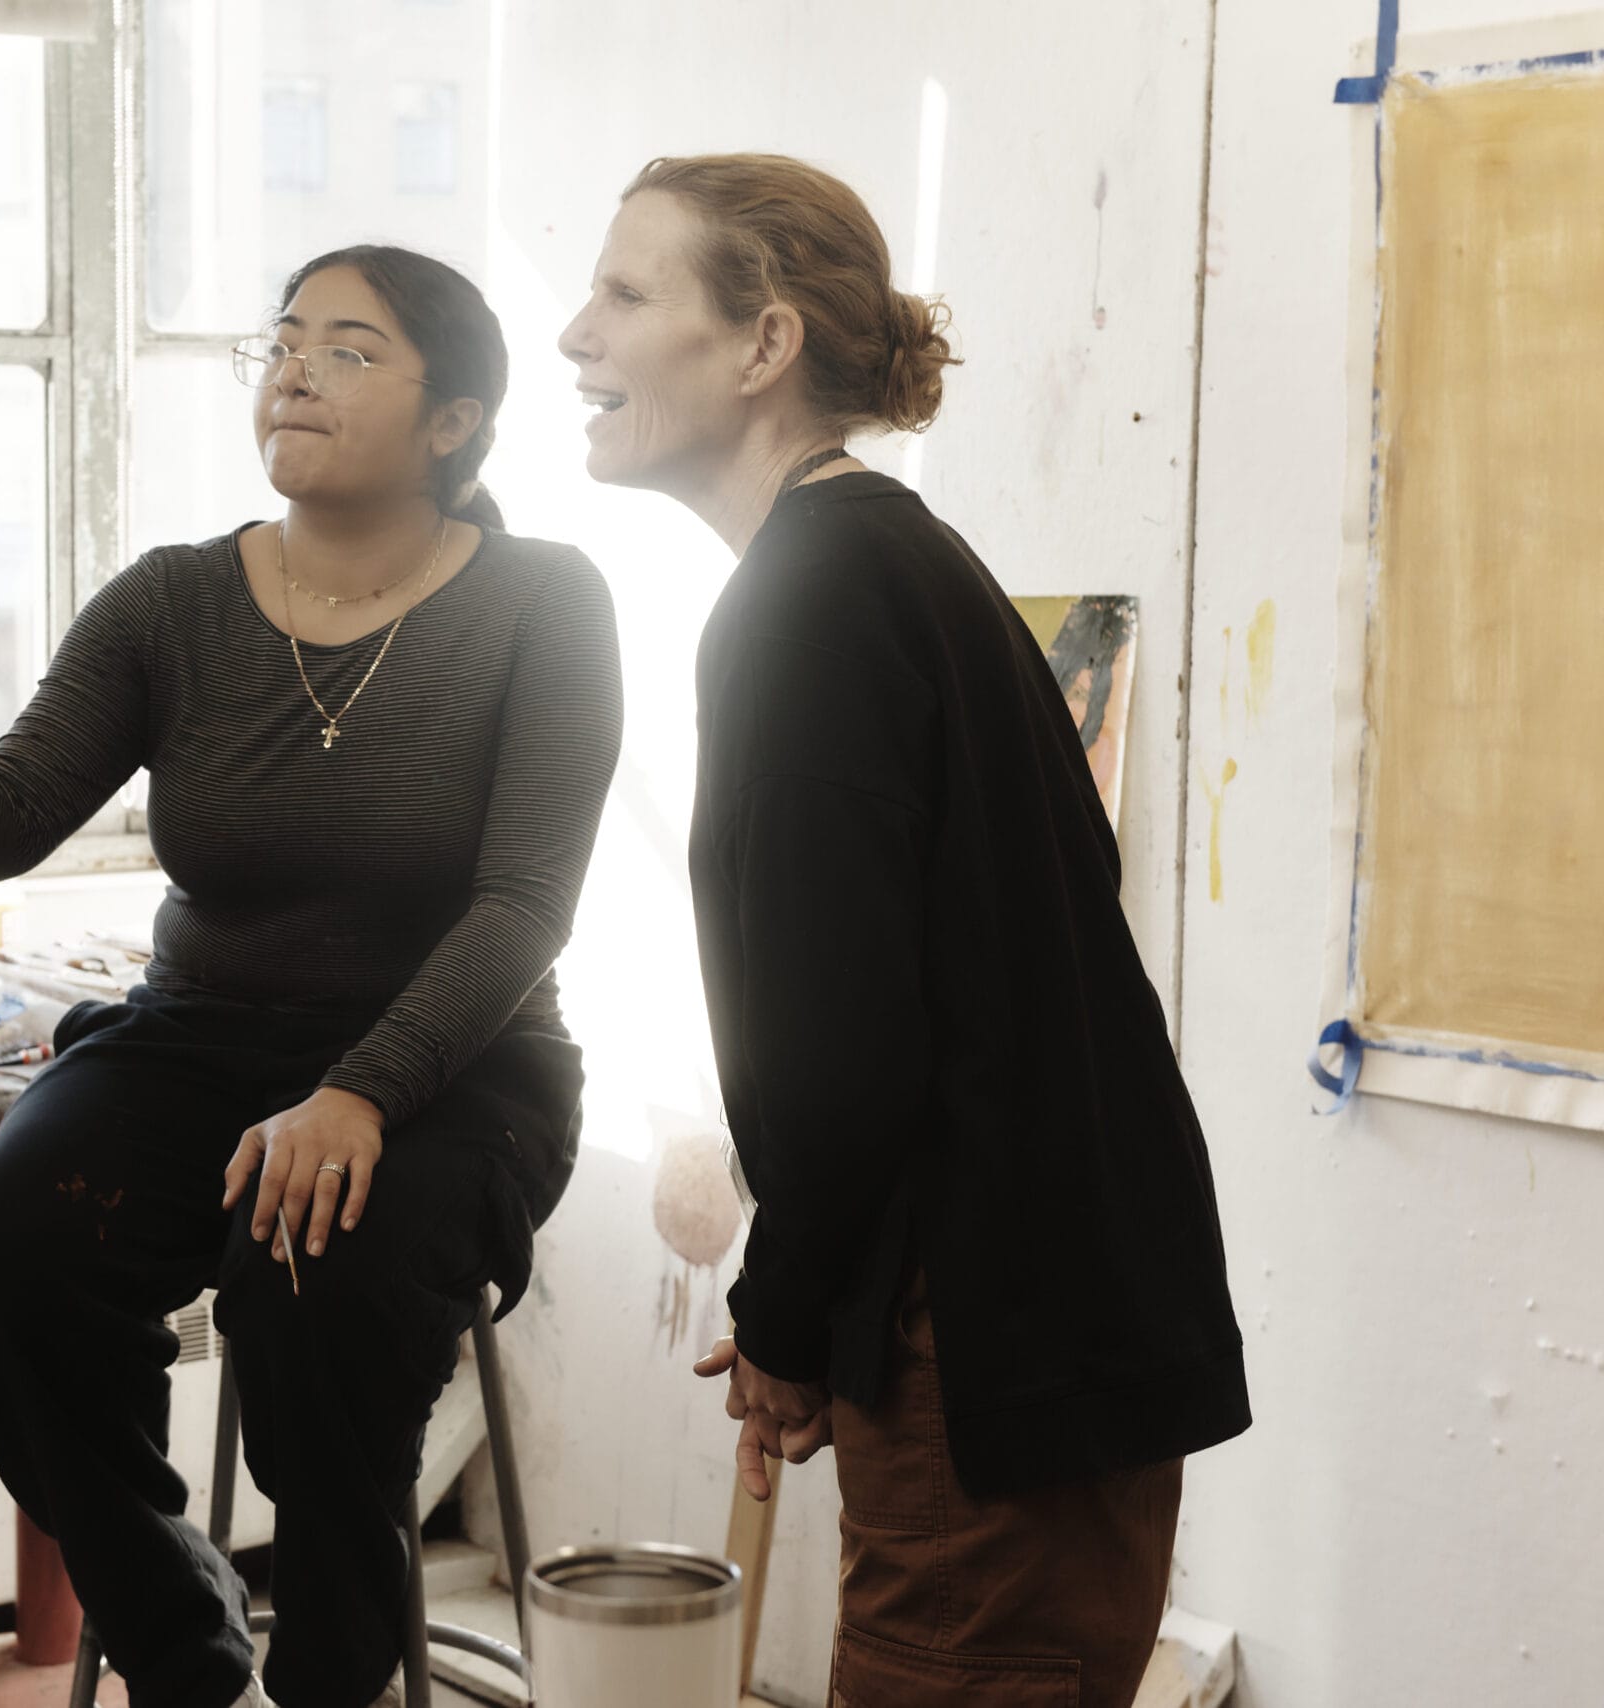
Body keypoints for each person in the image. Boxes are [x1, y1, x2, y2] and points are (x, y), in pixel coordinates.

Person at [0, 245, 622, 1708]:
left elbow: (524, 907)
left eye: (351, 349)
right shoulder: (173, 600)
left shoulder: (544, 603)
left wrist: (359, 1093)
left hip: (455, 1064)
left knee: (319, 1277)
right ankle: (185, 1652)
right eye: (284, 341)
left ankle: (340, 1676)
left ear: (455, 420)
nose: (295, 370)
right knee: (17, 1249)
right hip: (196, 1041)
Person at [558, 154, 1249, 1706]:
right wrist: (810, 1313)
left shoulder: (811, 603)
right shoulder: (889, 566)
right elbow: (934, 987)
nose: (575, 333)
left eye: (626, 292)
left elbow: (839, 1046)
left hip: (989, 1339)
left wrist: (786, 1313)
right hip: (1050, 1316)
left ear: (764, 343)